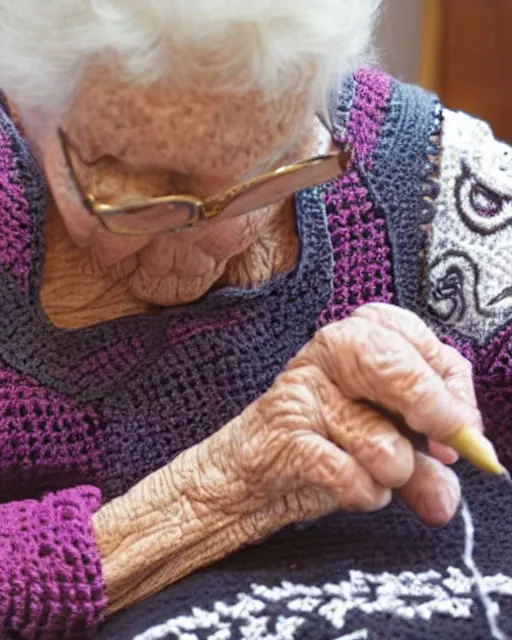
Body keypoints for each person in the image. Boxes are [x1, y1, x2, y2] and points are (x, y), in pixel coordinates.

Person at [0, 1, 511, 638]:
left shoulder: (413, 173)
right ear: (21, 101)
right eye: (151, 190)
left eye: (274, 164)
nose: (232, 237)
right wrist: (222, 488)